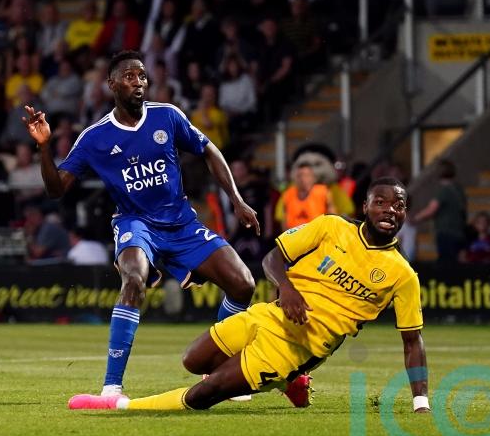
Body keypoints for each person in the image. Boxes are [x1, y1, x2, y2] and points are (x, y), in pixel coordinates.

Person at [68, 177, 429, 415]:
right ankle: (291, 383)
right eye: (381, 202)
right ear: (365, 206)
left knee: (204, 394)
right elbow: (273, 258)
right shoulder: (332, 226)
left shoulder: (402, 274)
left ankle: (120, 406)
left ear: (405, 214)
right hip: (269, 315)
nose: (389, 210)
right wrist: (286, 288)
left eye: (397, 206)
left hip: (299, 346)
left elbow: (412, 341)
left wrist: (421, 402)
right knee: (193, 361)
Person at [22, 50, 259, 397]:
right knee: (133, 279)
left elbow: (209, 150)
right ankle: (112, 387)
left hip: (181, 223)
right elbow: (56, 189)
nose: (139, 82)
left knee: (243, 284)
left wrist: (236, 199)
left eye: (143, 76)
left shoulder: (168, 116)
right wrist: (44, 147)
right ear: (112, 84)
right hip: (136, 224)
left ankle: (219, 369)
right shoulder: (95, 137)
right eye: (130, 76)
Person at [410, 159, 466, 263]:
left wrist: (415, 219)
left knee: (446, 264)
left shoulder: (444, 191)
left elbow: (431, 210)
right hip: (458, 232)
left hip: (446, 233)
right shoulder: (458, 189)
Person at [275, 163, 335, 230]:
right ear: (295, 178)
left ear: (314, 178)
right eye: (300, 176)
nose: (303, 179)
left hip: (316, 233)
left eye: (307, 175)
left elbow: (333, 216)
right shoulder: (288, 194)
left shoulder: (323, 192)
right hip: (295, 234)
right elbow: (283, 219)